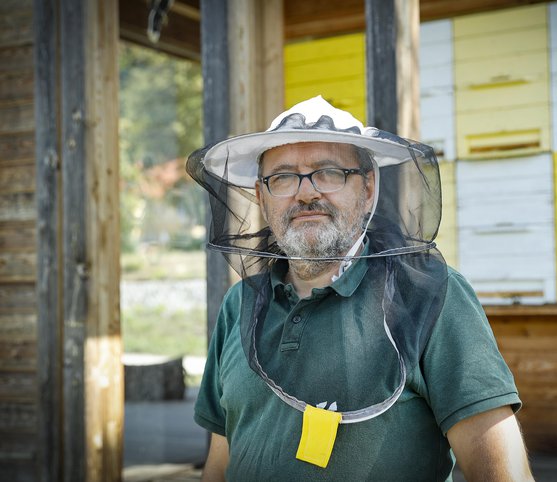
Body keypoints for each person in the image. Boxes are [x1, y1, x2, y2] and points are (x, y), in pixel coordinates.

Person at [187, 96, 534, 481]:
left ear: (367, 189)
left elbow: (503, 475)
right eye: (283, 177)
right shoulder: (240, 303)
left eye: (329, 172)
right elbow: (221, 460)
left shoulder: (427, 295)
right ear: (261, 196)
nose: (306, 194)